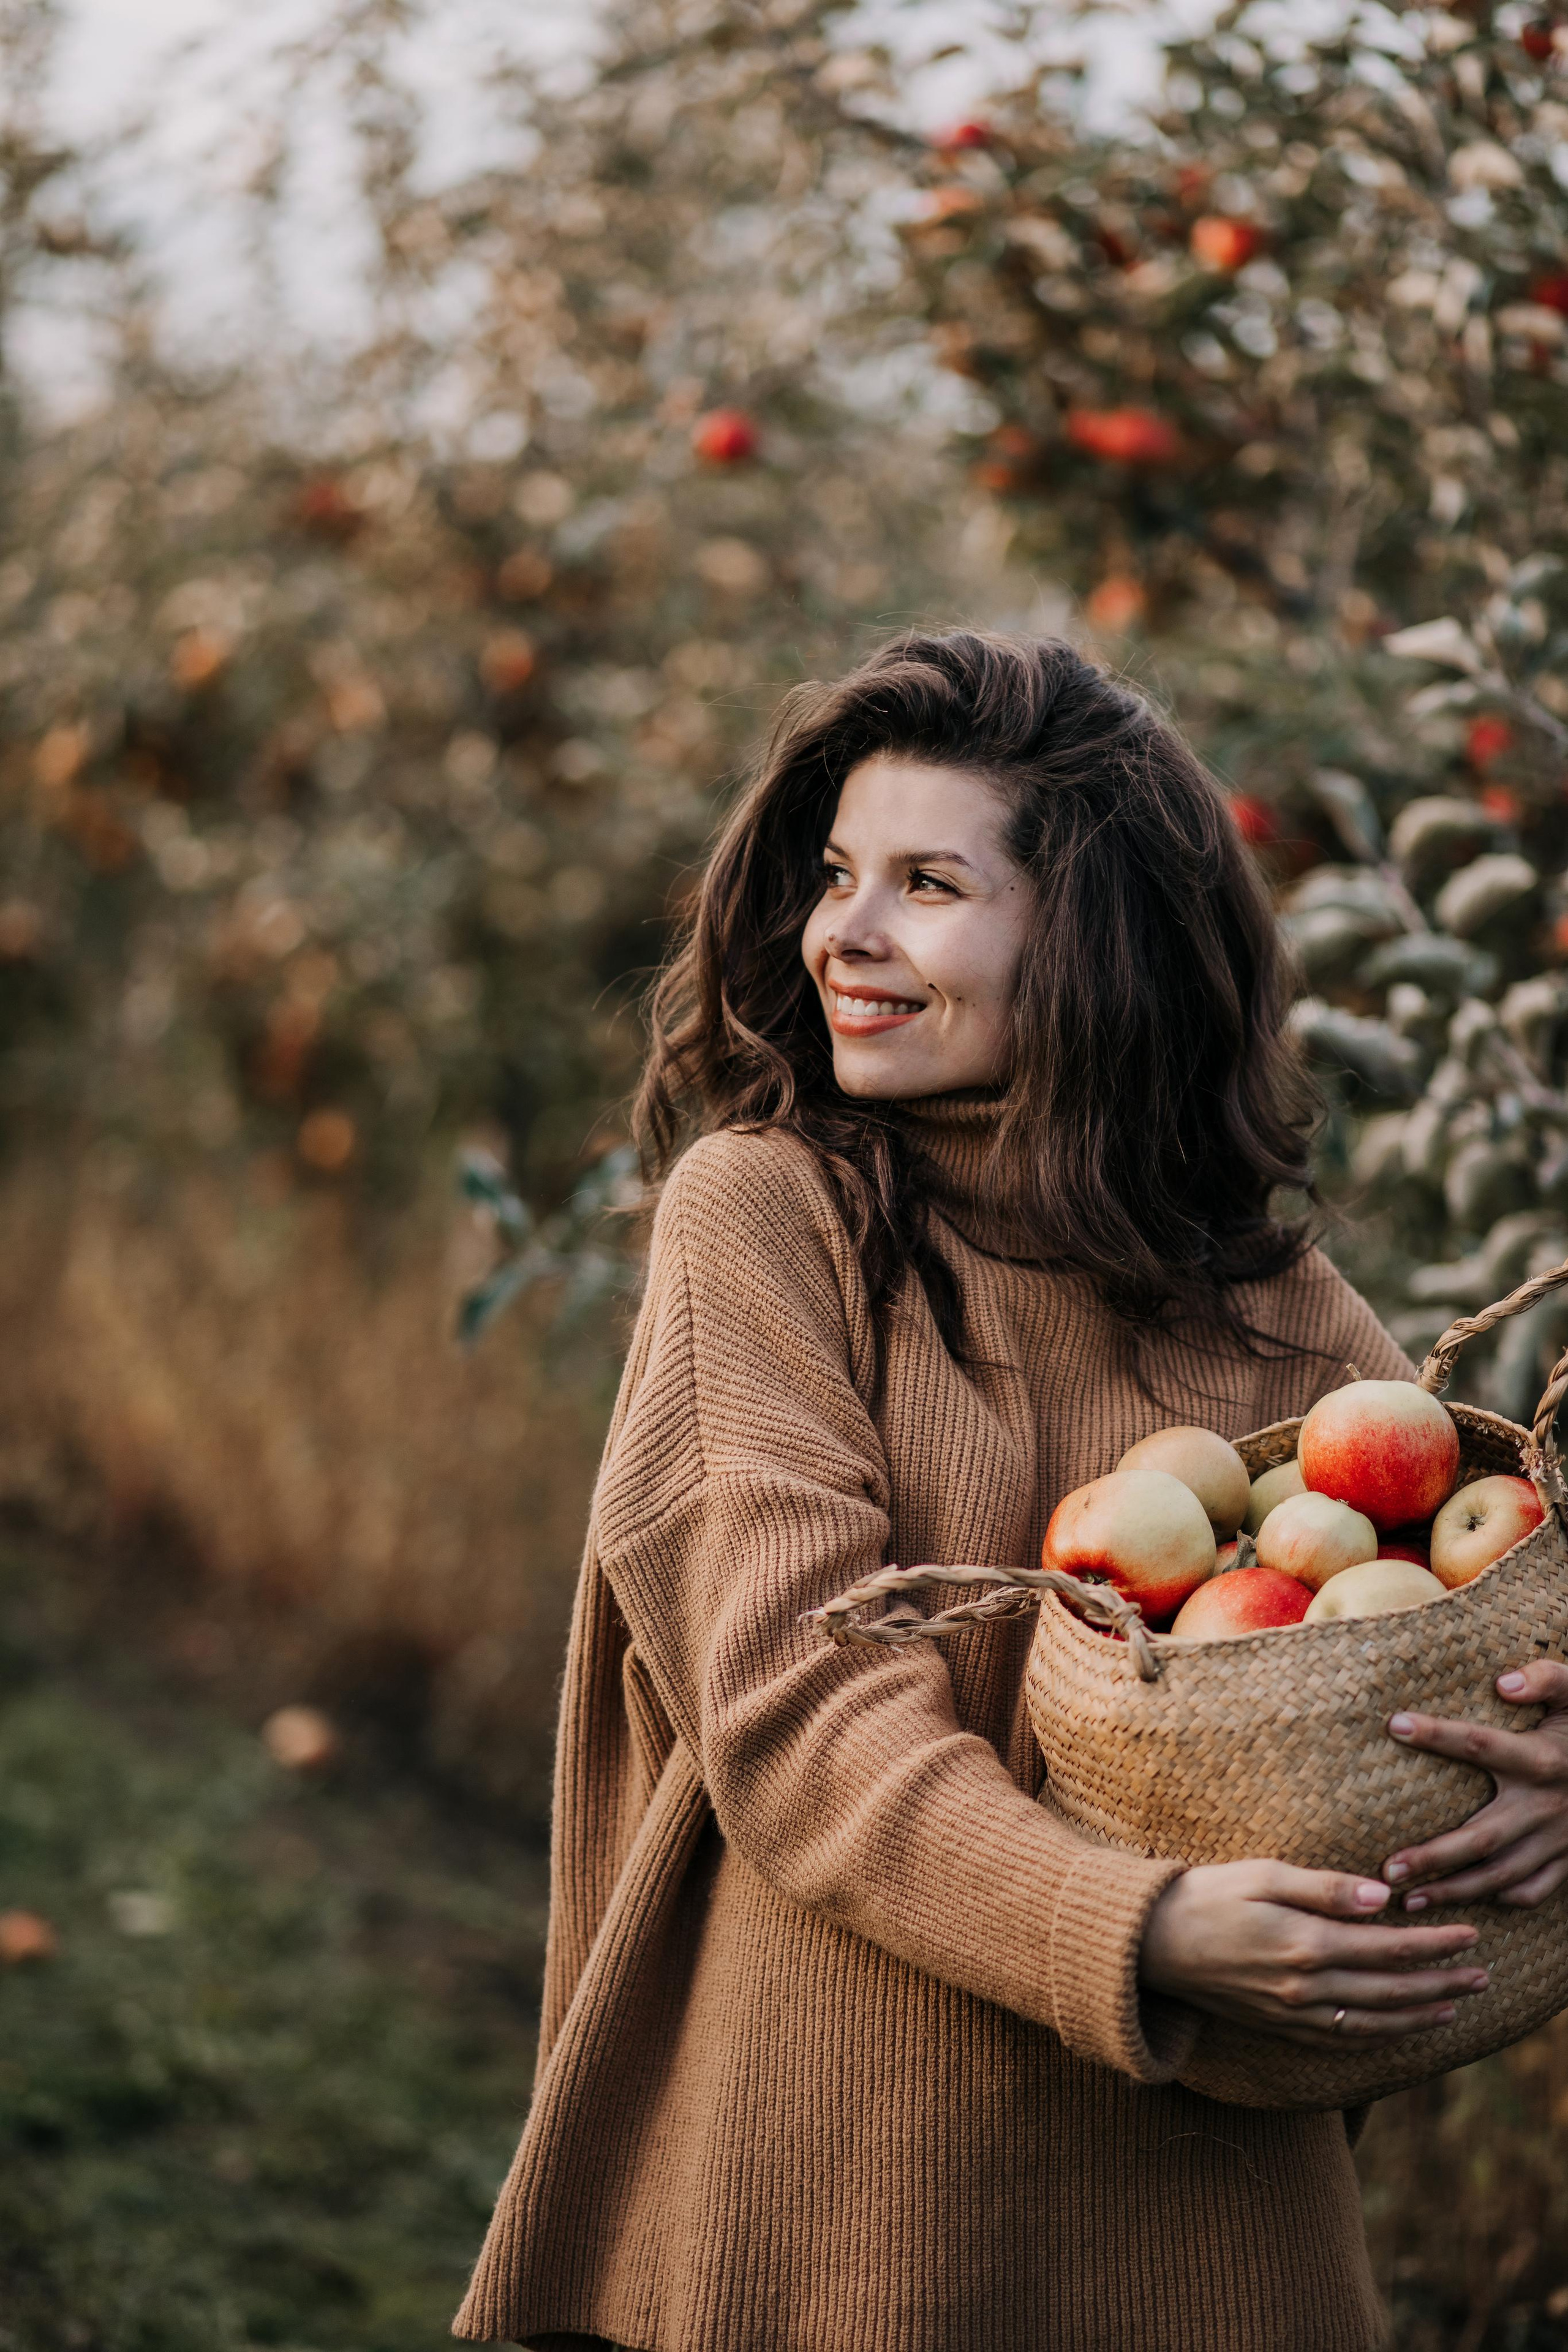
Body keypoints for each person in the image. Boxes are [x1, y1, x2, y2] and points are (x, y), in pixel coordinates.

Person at [454, 633, 1568, 2352]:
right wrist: (1130, 1927)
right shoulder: (768, 1218)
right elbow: (791, 1693)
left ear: (1093, 936)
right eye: (837, 878)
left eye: (927, 883)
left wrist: (1538, 1769)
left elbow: (1429, 1646)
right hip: (836, 2194)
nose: (845, 935)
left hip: (1209, 2227)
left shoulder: (1280, 1312)